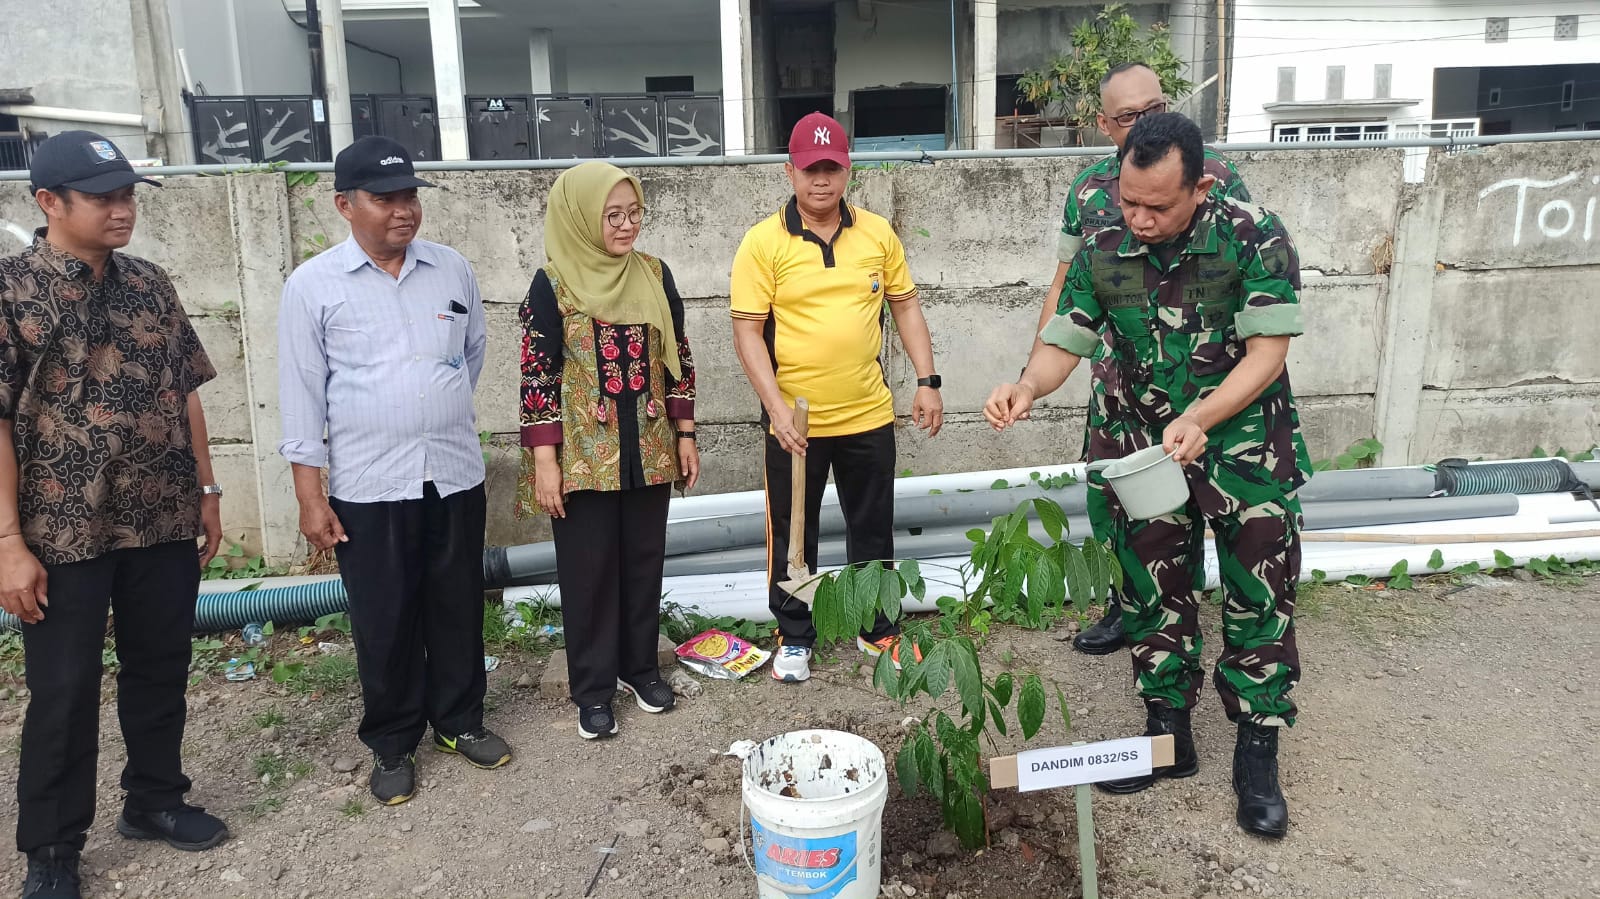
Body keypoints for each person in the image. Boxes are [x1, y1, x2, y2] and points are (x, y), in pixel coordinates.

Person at [986, 113, 1309, 839]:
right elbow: (1067, 333)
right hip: (1143, 441)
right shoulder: (1106, 237)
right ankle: (1168, 737)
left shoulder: (1254, 231)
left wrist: (1203, 415)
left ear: (1198, 185)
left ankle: (1257, 752)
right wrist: (1028, 387)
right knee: (1151, 585)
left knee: (1261, 592)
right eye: (1130, 200)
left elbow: (1267, 352)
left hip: (1242, 444)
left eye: (1157, 206)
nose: (1139, 217)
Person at [0, 131, 229, 899]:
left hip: (160, 517)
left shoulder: (150, 284)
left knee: (161, 667)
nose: (122, 209)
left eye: (128, 194)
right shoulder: (11, 291)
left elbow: (186, 386)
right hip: (61, 529)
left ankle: (155, 797)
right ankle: (53, 847)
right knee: (63, 689)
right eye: (104, 197)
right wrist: (6, 542)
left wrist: (206, 489)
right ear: (49, 202)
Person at [277, 136, 511, 807]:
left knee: (456, 604)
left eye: (409, 195)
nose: (403, 209)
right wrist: (309, 494)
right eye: (386, 198)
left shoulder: (451, 270)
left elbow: (469, 355)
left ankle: (460, 721)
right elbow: (302, 392)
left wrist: (424, 409)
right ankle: (392, 740)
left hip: (451, 472)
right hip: (369, 485)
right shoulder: (313, 286)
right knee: (385, 615)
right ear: (345, 204)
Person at [1040, 61, 1253, 657]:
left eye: (1153, 109)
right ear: (1106, 124)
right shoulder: (1087, 191)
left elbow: (1241, 273)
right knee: (1118, 504)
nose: (1143, 123)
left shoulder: (1220, 178)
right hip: (1121, 379)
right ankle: (1127, 604)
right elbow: (1064, 283)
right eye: (1129, 116)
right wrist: (1038, 368)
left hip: (1204, 374)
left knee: (1219, 504)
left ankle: (1212, 610)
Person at [730, 112, 942, 683]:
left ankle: (877, 630)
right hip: (794, 420)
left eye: (832, 168)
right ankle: (794, 634)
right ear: (789, 171)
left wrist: (927, 380)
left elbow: (905, 307)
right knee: (794, 533)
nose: (821, 181)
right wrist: (776, 409)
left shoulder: (876, 233)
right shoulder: (763, 243)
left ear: (847, 170)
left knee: (872, 527)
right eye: (809, 169)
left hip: (867, 414)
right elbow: (748, 331)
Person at [515, 162, 700, 740]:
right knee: (588, 571)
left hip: (647, 444)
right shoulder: (553, 284)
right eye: (612, 216)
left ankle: (640, 667)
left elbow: (678, 356)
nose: (625, 227)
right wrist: (545, 461)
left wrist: (685, 433)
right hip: (581, 457)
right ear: (581, 218)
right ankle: (593, 689)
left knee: (643, 562)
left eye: (633, 213)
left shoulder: (653, 273)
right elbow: (536, 375)